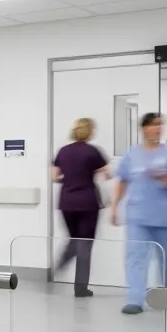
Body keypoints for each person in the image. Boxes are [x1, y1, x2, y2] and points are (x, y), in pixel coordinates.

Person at [110, 113, 167, 315]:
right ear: (144, 128)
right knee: (135, 258)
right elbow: (122, 181)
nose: (158, 128)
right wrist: (115, 206)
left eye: (160, 125)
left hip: (162, 215)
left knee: (165, 259)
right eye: (153, 125)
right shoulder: (132, 154)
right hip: (137, 215)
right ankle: (135, 300)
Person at [52, 118, 110, 297]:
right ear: (90, 131)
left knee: (74, 239)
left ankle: (61, 262)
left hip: (67, 202)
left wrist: (68, 179)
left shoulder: (63, 151)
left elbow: (54, 176)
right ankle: (81, 287)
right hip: (87, 202)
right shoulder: (93, 151)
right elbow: (108, 173)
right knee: (84, 244)